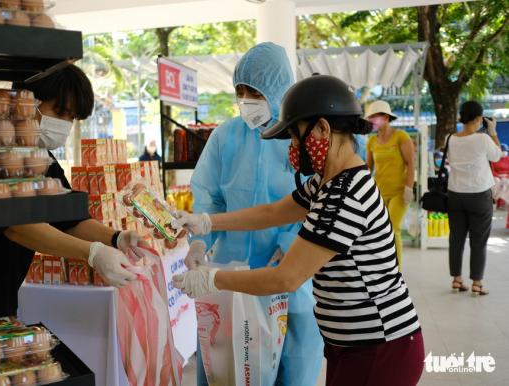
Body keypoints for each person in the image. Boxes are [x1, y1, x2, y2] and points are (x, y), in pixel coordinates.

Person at [172, 74, 425, 386]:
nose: (292, 148)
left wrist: (212, 279)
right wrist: (207, 222)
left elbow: (286, 277)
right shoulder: (328, 180)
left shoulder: (343, 195)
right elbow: (272, 212)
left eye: (295, 137)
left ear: (322, 128)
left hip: (377, 346)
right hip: (355, 343)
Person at [0, 65, 145, 325]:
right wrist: (93, 253)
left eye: (72, 117)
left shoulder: (42, 158)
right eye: (59, 112)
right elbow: (16, 226)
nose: (64, 125)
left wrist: (115, 238)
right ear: (25, 103)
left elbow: (68, 218)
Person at [184, 42, 323, 386]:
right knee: (227, 367)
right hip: (231, 277)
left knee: (290, 368)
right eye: (240, 90)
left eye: (254, 90)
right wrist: (200, 241)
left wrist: (291, 242)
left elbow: (317, 201)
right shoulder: (225, 136)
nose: (246, 98)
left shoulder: (299, 137)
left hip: (287, 276)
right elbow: (208, 198)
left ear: (277, 88)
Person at [447, 101, 503, 296]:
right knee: (478, 240)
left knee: (456, 239)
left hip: (455, 194)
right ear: (479, 118)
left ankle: (456, 280)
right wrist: (493, 132)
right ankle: (477, 283)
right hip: (479, 195)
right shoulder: (482, 139)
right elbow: (497, 156)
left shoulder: (450, 139)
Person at [365, 101, 415, 270]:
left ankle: (397, 270)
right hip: (379, 193)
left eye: (374, 117)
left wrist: (409, 188)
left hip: (399, 193)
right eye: (370, 117)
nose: (372, 120)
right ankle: (383, 265)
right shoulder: (371, 142)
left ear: (385, 118)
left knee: (393, 229)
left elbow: (411, 164)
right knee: (379, 231)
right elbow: (368, 169)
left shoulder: (401, 137)